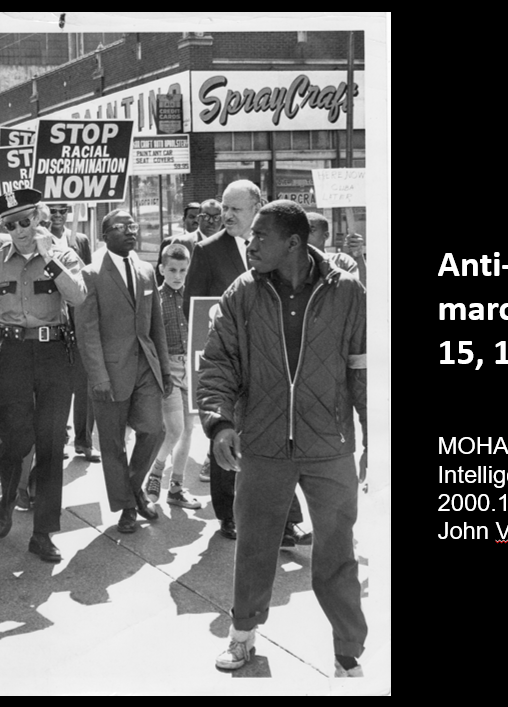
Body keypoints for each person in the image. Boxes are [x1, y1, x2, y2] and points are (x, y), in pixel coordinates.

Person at [199, 199, 368, 677]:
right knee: (254, 546)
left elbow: (364, 368)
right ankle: (242, 637)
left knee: (337, 553)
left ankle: (348, 651)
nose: (249, 244)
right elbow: (218, 364)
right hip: (264, 444)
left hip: (329, 445)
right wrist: (221, 422)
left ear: (294, 242)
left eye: (259, 237)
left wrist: (375, 435)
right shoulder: (241, 293)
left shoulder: (348, 292)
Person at [185, 181, 310, 546]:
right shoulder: (207, 251)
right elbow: (191, 307)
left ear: (259, 206)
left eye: (235, 209)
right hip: (230, 366)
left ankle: (288, 521)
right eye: (224, 207)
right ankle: (228, 515)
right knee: (227, 436)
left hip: (276, 366)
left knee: (280, 442)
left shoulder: (280, 247)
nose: (226, 215)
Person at [0, 188, 86, 563]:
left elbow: (78, 297)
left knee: (51, 444)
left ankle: (43, 532)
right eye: (10, 224)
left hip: (53, 355)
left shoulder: (63, 256)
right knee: (13, 441)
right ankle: (7, 498)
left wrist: (49, 257)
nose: (18, 229)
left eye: (25, 221)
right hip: (13, 354)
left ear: (39, 219)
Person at [77, 209, 171, 534]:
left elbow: (156, 324)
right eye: (121, 227)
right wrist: (98, 376)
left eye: (133, 226)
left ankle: (131, 487)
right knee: (113, 444)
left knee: (155, 430)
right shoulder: (90, 275)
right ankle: (127, 507)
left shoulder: (145, 270)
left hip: (146, 365)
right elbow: (87, 332)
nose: (131, 231)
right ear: (105, 236)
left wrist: (165, 369)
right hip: (110, 372)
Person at [143, 243, 203, 510]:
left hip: (192, 366)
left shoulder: (193, 299)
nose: (178, 275)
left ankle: (176, 487)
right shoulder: (154, 299)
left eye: (183, 270)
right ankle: (156, 472)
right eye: (172, 270)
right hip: (168, 369)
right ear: (161, 270)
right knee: (175, 428)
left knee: (189, 429)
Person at [47, 201, 99, 462]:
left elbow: (87, 281)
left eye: (62, 211)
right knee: (58, 384)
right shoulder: (39, 240)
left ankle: (84, 441)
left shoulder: (79, 239)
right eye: (52, 211)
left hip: (79, 320)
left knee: (84, 383)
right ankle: (59, 437)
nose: (57, 216)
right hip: (53, 319)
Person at [306, 212, 363, 281]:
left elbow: (359, 287)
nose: (304, 234)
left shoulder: (341, 261)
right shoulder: (293, 264)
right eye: (300, 230)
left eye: (310, 230)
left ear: (325, 235)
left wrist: (358, 255)